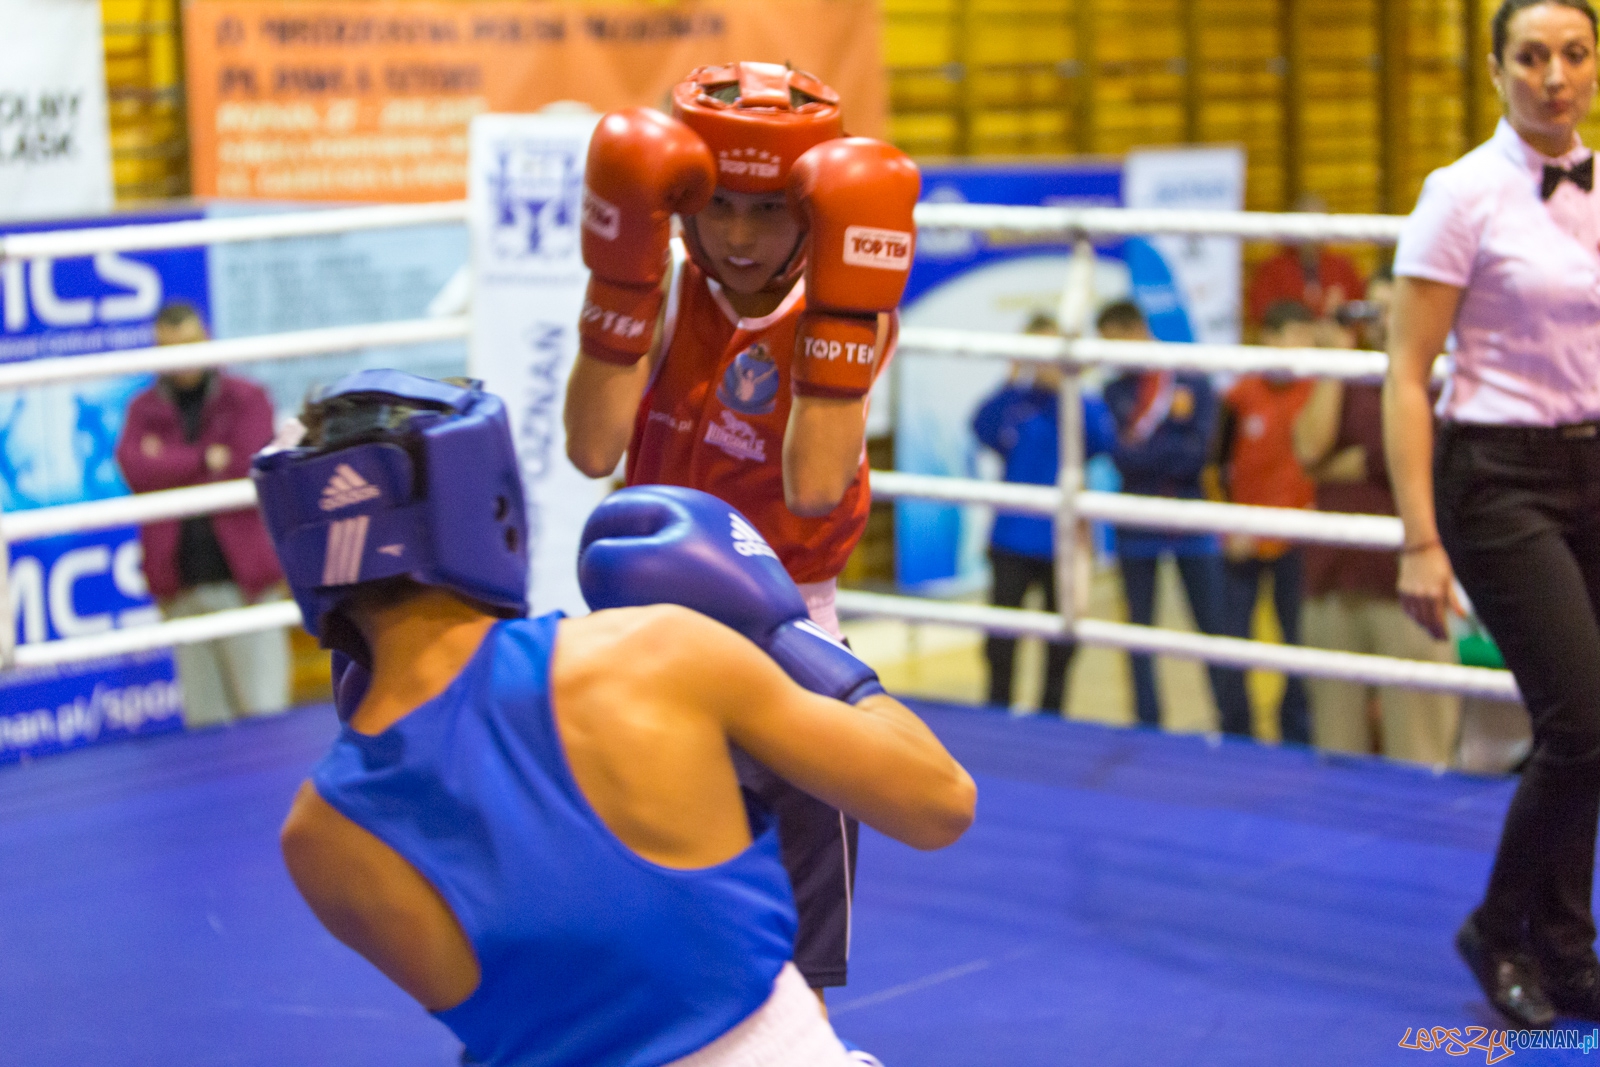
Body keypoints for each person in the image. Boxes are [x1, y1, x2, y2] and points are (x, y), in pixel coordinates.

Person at [253, 370, 976, 1067]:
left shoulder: (320, 833)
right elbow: (938, 802)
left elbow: (529, 1014)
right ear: (485, 499)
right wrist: (786, 633)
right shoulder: (651, 655)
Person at [562, 62, 920, 1001]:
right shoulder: (662, 286)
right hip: (647, 634)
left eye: (768, 210)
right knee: (647, 914)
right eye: (718, 204)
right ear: (678, 200)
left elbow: (810, 487)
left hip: (785, 628)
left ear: (814, 213)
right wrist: (618, 296)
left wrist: (842, 321)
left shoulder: (846, 308)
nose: (739, 234)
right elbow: (593, 445)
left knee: (801, 943)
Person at [1384, 0, 1600, 1027]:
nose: (1552, 75)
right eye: (1530, 56)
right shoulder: (1460, 192)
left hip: (1594, 463)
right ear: (1494, 70)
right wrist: (1419, 535)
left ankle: (1566, 944)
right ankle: (1499, 926)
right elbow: (1404, 371)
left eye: (1572, 53)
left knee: (1593, 729)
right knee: (1580, 718)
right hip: (1498, 479)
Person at [1294, 281, 1461, 765]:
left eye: (1393, 308)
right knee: (1336, 747)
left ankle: (1423, 841)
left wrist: (1357, 461)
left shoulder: (1444, 374)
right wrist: (1336, 363)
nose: (1382, 319)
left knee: (1419, 750)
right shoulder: (1349, 375)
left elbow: (1423, 457)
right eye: (1374, 308)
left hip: (1412, 585)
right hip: (1333, 578)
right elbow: (1308, 449)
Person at [115, 302, 289, 727]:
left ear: (206, 337)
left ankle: (272, 798)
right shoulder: (142, 410)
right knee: (205, 730)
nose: (181, 359)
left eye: (189, 344)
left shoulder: (247, 398)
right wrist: (204, 459)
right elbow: (135, 468)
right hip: (181, 588)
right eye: (169, 349)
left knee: (265, 721)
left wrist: (170, 463)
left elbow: (244, 462)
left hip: (244, 584)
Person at [1099, 300, 1241, 730]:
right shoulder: (1114, 391)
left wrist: (1145, 454)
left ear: (1135, 330)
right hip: (1137, 523)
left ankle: (1236, 724)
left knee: (1214, 625)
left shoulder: (1190, 378)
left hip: (1190, 521)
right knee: (1138, 632)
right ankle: (1147, 725)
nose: (1110, 352)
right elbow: (1119, 455)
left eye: (1114, 341)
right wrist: (1162, 451)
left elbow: (1199, 453)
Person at [970, 312, 1116, 714]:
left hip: (1064, 538)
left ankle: (1052, 714)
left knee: (1062, 640)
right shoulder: (1014, 403)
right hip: (1012, 535)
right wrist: (1013, 376)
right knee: (1001, 638)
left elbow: (1104, 441)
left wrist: (1070, 386)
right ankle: (996, 711)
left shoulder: (1080, 403)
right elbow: (982, 430)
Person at [1214, 300, 1317, 745]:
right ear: (1269, 339)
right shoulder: (1239, 396)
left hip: (1299, 538)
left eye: (1306, 338)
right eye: (1292, 336)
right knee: (1234, 640)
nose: (1301, 347)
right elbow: (1212, 468)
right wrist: (1229, 525)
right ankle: (1235, 732)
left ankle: (1296, 732)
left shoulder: (1320, 391)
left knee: (1299, 640)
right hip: (1245, 538)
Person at [1245, 193, 1368, 331]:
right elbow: (1261, 315)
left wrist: (1340, 312)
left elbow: (1360, 315)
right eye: (1308, 223)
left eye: (1319, 223)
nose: (1313, 231)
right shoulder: (1271, 269)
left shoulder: (1342, 267)